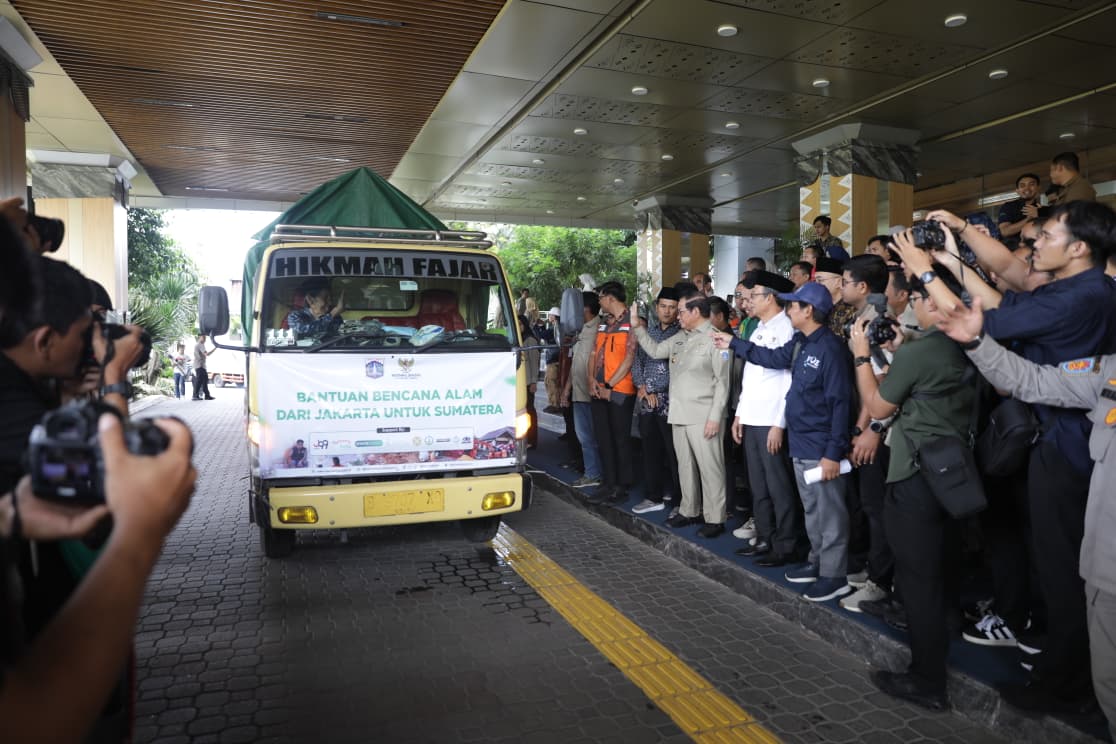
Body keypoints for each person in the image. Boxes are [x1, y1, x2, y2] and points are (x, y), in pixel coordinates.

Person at [925, 201, 1116, 713]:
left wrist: (927, 271)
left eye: (1046, 235)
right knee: (1050, 562)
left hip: (1068, 444)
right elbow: (1008, 288)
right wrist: (951, 258)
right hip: (1056, 435)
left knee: (1063, 571)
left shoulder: (1085, 295)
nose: (1034, 243)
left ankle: (1065, 685)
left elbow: (993, 320)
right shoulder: (1074, 289)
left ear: (1078, 248)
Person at [851, 267, 974, 712]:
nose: (911, 308)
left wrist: (863, 357)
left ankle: (927, 679)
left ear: (929, 302)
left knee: (917, 579)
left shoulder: (921, 354)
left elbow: (878, 404)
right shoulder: (966, 344)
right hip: (953, 471)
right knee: (940, 565)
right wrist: (902, 347)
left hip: (915, 474)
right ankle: (945, 631)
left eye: (917, 300)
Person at [713, 282, 854, 602]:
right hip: (802, 442)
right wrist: (735, 343)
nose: (788, 309)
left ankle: (835, 575)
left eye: (793, 305)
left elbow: (840, 402)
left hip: (821, 445)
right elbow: (771, 358)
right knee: (813, 510)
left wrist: (834, 451)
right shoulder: (802, 343)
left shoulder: (830, 348)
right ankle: (818, 562)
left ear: (809, 311)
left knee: (830, 513)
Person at [632, 291, 730, 537]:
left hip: (704, 415)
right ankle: (689, 510)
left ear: (696, 312)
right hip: (679, 413)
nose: (678, 315)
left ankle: (715, 518)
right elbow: (654, 351)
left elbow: (723, 383)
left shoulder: (717, 340)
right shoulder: (679, 338)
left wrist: (715, 417)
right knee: (685, 466)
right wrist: (637, 327)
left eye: (682, 311)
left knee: (710, 468)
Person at [731, 271, 802, 565]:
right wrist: (739, 414)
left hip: (771, 421)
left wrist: (779, 423)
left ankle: (785, 545)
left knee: (778, 486)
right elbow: (752, 378)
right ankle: (764, 536)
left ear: (771, 297)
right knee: (757, 484)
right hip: (752, 417)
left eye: (754, 295)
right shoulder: (759, 327)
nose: (748, 302)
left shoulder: (786, 327)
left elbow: (788, 381)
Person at [630, 288, 681, 515]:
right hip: (646, 401)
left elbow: (676, 370)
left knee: (674, 453)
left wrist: (653, 389)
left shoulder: (681, 335)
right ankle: (654, 496)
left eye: (672, 307)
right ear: (656, 307)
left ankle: (680, 500)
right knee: (650, 450)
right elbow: (637, 362)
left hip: (671, 402)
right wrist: (642, 387)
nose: (667, 311)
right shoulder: (648, 332)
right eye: (663, 306)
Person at [588, 282, 638, 503]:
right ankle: (608, 482)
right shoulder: (604, 324)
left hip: (619, 391)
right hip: (598, 389)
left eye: (600, 297)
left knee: (620, 439)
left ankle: (621, 486)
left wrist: (608, 386)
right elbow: (593, 354)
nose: (599, 301)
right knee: (603, 438)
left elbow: (629, 359)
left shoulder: (633, 323)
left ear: (610, 298)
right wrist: (591, 380)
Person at [561, 292, 602, 488]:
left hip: (592, 393)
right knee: (583, 436)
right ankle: (592, 472)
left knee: (591, 437)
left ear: (586, 308)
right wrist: (566, 390)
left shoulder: (599, 329)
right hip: (578, 392)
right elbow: (576, 362)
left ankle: (596, 473)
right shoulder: (580, 331)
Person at [998, 173, 1042, 247]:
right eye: (1022, 185)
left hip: (1036, 248)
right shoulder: (1008, 207)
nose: (1027, 188)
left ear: (1038, 188)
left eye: (1031, 184)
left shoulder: (1042, 208)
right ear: (1017, 191)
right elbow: (1005, 231)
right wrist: (1029, 219)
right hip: (1011, 250)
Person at [518, 315, 541, 449]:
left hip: (527, 382)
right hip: (519, 382)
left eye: (521, 324)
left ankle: (532, 439)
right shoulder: (518, 339)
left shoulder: (530, 340)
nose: (519, 326)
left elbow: (534, 362)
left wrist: (533, 381)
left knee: (530, 411)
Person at [542, 307, 562, 414]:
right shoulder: (560, 326)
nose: (549, 316)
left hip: (553, 359)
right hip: (557, 358)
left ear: (554, 316)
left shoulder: (555, 327)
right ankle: (556, 403)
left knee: (550, 381)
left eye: (550, 315)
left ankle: (554, 404)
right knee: (552, 381)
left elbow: (542, 335)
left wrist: (539, 326)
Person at [192, 333, 215, 401]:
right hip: (199, 365)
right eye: (203, 337)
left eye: (205, 337)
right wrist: (215, 348)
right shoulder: (200, 345)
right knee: (200, 381)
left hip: (200, 365)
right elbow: (206, 354)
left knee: (204, 380)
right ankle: (195, 395)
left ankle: (206, 395)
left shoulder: (199, 344)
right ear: (199, 337)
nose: (205, 339)